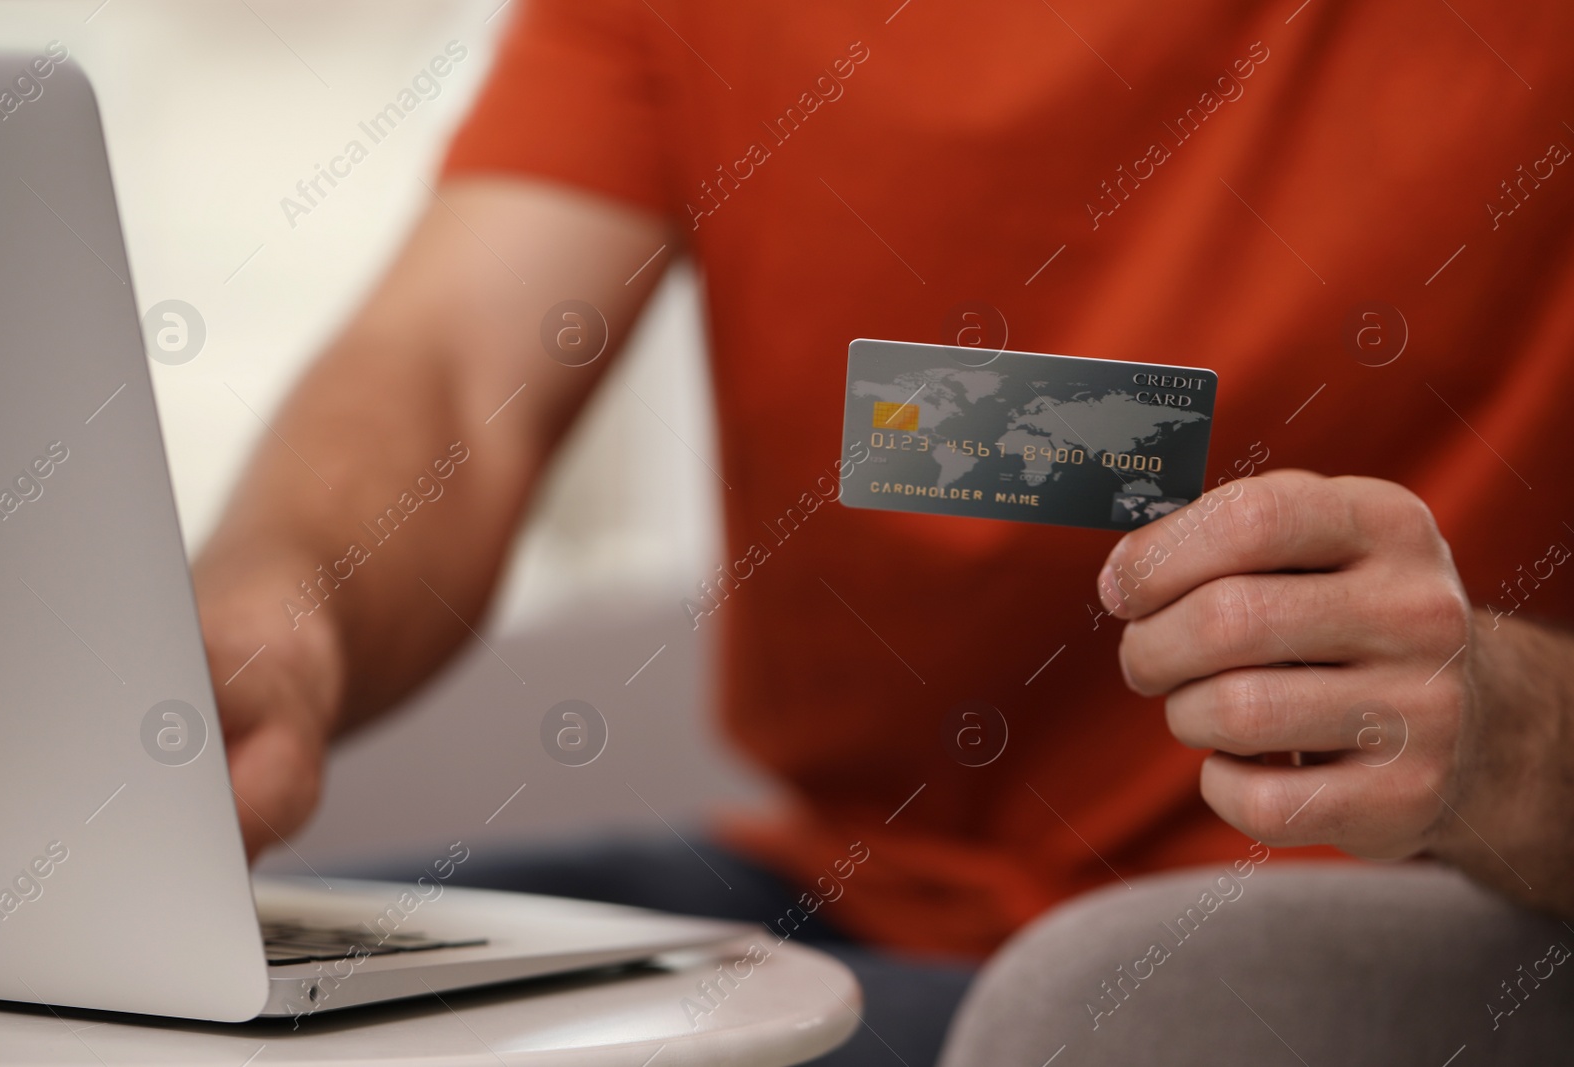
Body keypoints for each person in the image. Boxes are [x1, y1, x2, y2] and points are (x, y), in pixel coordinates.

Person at [193, 2, 1574, 1063]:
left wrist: (1513, 737)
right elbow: (452, 369)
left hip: (1375, 928)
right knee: (180, 999)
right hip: (841, 889)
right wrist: (277, 602)